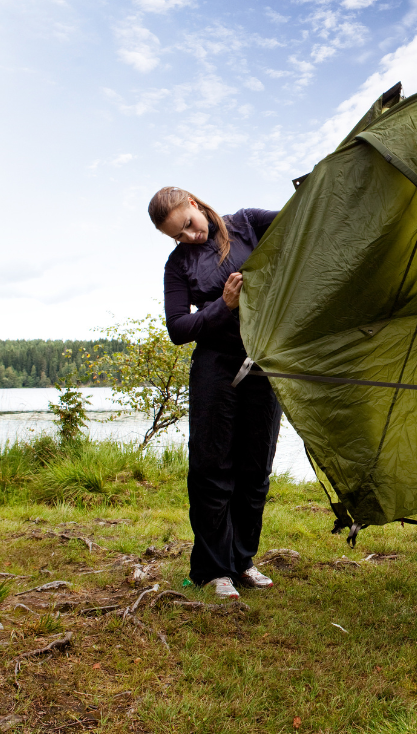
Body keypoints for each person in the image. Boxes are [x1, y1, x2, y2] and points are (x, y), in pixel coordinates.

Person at [148, 186, 281, 599]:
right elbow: (177, 329)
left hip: (262, 362)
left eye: (188, 224)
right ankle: (212, 570)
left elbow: (305, 221)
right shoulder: (177, 265)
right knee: (212, 469)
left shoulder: (248, 224)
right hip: (215, 369)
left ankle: (242, 561)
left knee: (255, 469)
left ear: (195, 203)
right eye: (177, 235)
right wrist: (222, 306)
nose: (189, 236)